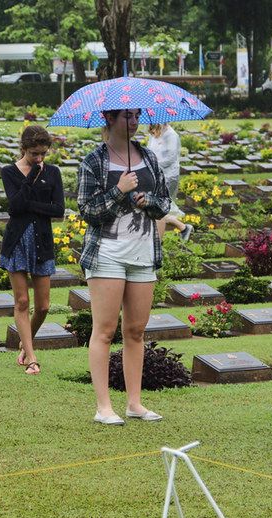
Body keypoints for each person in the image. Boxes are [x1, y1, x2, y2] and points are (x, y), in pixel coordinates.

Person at [77, 108, 171, 425]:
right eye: (127, 117)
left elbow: (164, 203)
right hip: (107, 253)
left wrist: (148, 202)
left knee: (135, 331)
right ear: (110, 119)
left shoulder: (148, 157)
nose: (133, 122)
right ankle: (104, 407)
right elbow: (88, 210)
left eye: (136, 116)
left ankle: (135, 403)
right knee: (104, 331)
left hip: (143, 253)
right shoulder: (94, 160)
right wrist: (120, 190)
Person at [0, 125, 65, 375]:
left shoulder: (53, 172)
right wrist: (30, 179)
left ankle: (25, 344)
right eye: (34, 154)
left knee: (44, 306)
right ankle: (32, 358)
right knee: (22, 301)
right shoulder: (9, 172)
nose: (39, 159)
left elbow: (58, 209)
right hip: (17, 242)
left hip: (42, 242)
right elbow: (15, 208)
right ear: (24, 149)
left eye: (43, 154)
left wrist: (30, 204)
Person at [147, 124, 192, 241]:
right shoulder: (155, 133)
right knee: (154, 207)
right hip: (154, 174)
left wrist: (154, 166)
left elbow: (171, 158)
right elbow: (149, 152)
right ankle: (182, 228)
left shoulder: (172, 135)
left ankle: (161, 238)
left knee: (155, 207)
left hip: (168, 176)